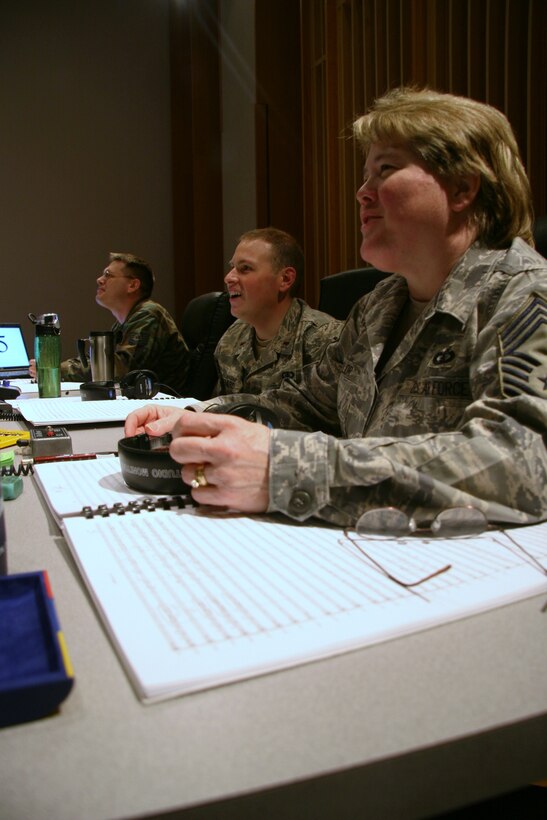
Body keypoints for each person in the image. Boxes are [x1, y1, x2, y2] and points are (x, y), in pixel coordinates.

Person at [125, 86, 547, 530]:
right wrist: (199, 416)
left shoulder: (523, 294)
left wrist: (283, 470)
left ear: (462, 187)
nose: (363, 193)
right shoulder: (379, 307)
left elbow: (521, 462)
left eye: (385, 169)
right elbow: (305, 403)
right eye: (365, 175)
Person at [31, 253, 190, 395]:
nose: (99, 280)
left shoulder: (149, 313)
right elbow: (100, 361)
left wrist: (56, 371)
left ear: (133, 285)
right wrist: (57, 368)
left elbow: (119, 368)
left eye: (108, 275)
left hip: (167, 407)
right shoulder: (125, 321)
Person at [213, 227, 341, 395]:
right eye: (232, 268)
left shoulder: (326, 340)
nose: (229, 278)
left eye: (245, 268)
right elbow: (218, 410)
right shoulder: (231, 338)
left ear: (285, 279)